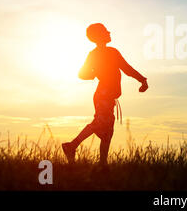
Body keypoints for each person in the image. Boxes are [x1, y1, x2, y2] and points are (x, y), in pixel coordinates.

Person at [62, 23, 148, 165]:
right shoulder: (108, 53)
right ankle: (71, 146)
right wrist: (142, 80)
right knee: (99, 123)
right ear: (100, 36)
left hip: (107, 95)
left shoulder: (103, 53)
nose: (109, 32)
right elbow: (82, 74)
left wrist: (142, 80)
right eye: (105, 31)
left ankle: (103, 164)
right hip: (103, 94)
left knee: (107, 132)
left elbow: (126, 69)